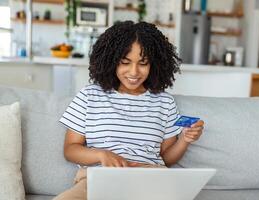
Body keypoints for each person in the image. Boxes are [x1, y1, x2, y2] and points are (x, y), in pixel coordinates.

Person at [54, 21, 204, 200]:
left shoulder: (165, 102)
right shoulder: (89, 96)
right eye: (125, 62)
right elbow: (70, 150)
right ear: (111, 60)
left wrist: (185, 140)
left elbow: (167, 158)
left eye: (143, 63)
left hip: (150, 180)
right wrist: (102, 155)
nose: (134, 72)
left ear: (154, 64)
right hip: (99, 180)